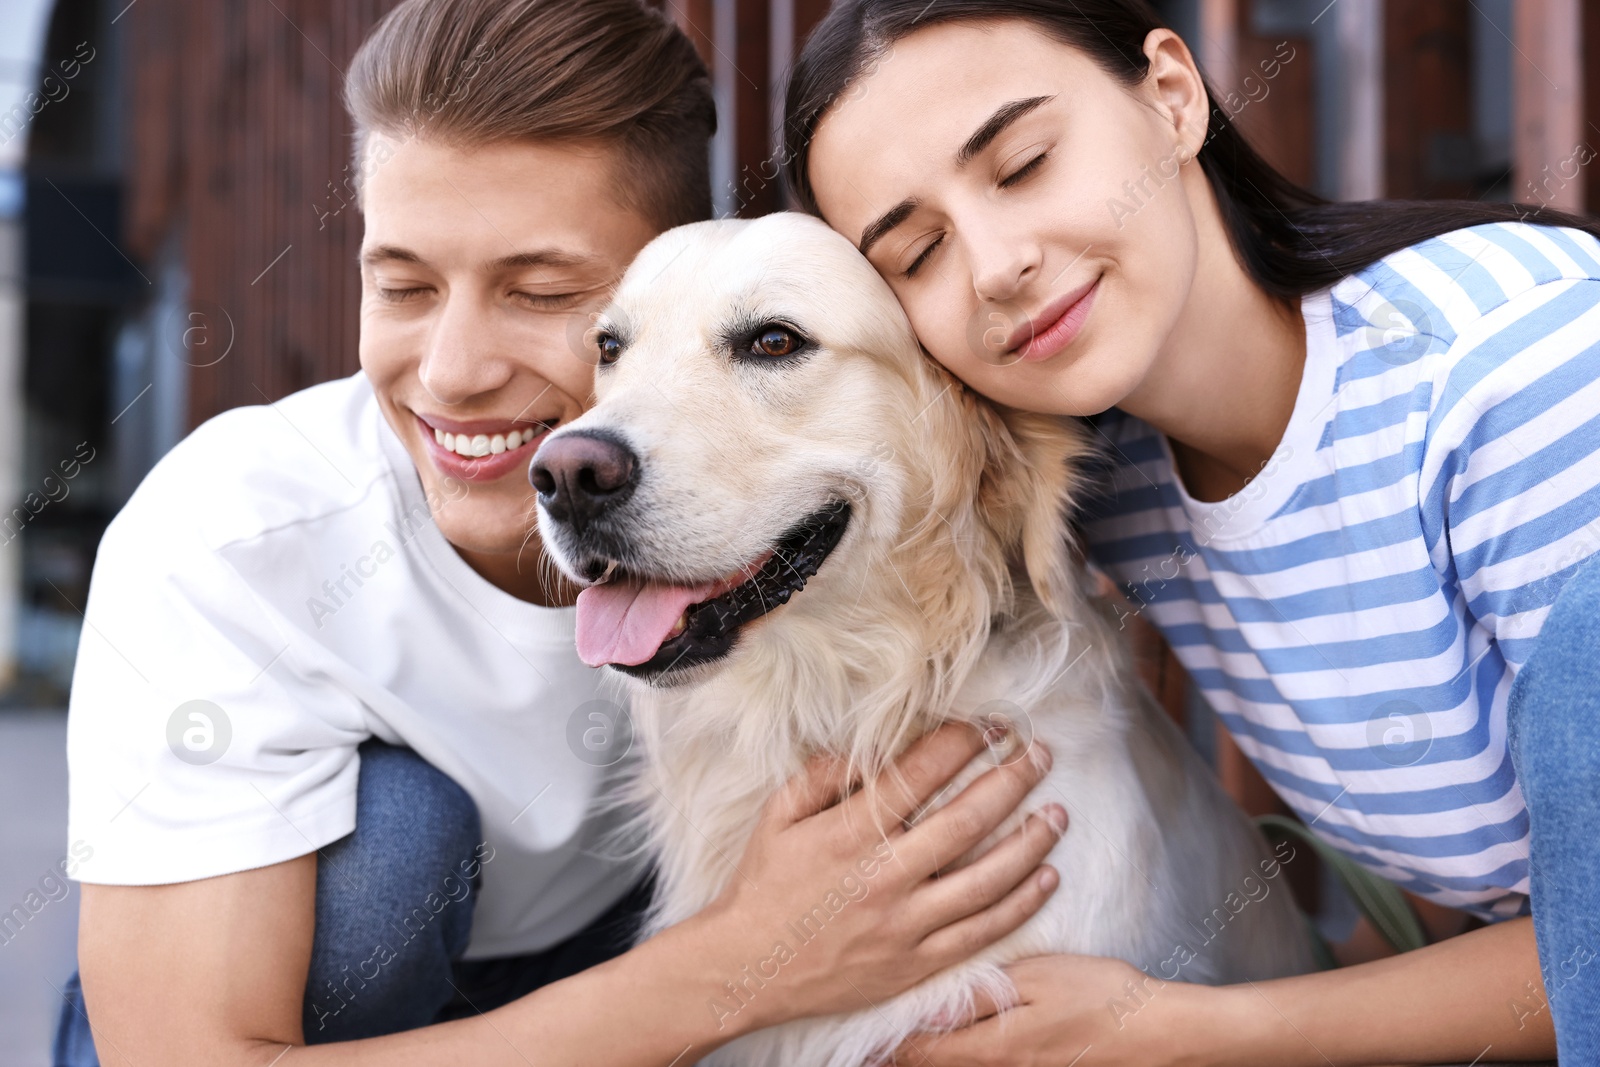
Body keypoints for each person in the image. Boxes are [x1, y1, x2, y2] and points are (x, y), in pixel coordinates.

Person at [54, 2, 1070, 1063]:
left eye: (543, 293)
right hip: (296, 1018)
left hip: (610, 947)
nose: (451, 372)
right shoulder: (234, 540)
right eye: (401, 284)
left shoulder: (781, 494)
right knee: (395, 844)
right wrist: (743, 964)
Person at [786, 1, 1600, 1063]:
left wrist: (1175, 1031)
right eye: (917, 251)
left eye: (1024, 163)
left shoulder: (1522, 366)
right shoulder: (1098, 478)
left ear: (1172, 97)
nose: (992, 266)